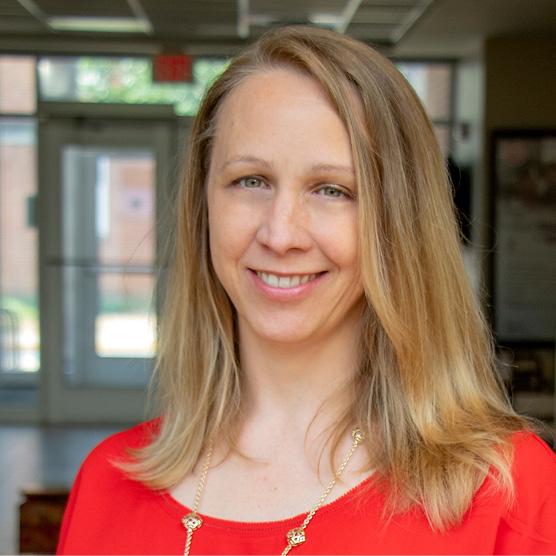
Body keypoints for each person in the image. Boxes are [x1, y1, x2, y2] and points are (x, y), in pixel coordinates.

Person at [56, 26, 556, 555]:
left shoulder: (510, 494)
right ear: (204, 205)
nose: (281, 234)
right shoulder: (106, 484)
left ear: (398, 224)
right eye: (251, 180)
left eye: (332, 190)